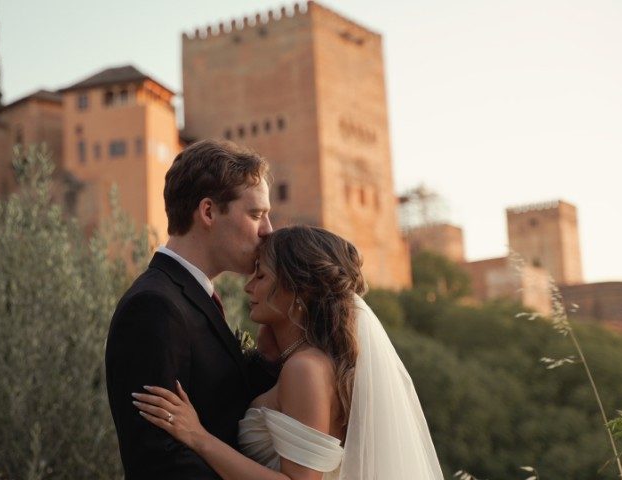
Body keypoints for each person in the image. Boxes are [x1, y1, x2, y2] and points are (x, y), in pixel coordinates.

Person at [133, 226, 445, 480]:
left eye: (261, 276)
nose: (248, 287)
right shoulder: (310, 360)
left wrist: (197, 436)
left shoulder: (305, 368)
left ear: (296, 290)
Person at [105, 139, 280, 479]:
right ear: (209, 212)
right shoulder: (153, 306)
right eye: (256, 214)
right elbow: (159, 461)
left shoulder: (189, 298)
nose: (268, 231)